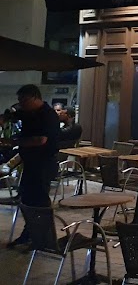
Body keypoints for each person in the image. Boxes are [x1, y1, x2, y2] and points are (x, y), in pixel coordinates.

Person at [2, 84, 60, 248]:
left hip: (44, 164)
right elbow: (11, 115)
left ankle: (44, 239)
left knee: (40, 202)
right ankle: (29, 234)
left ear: (35, 97)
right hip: (30, 163)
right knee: (27, 199)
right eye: (19, 100)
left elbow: (40, 140)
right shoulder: (28, 113)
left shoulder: (48, 116)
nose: (21, 103)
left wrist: (13, 142)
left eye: (24, 100)